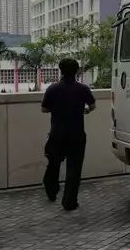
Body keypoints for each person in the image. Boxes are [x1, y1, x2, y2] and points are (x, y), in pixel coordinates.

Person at [41, 58, 96, 211]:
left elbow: (44, 109)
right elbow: (92, 106)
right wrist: (84, 110)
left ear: (60, 70)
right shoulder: (83, 89)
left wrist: (57, 109)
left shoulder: (52, 89)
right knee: (74, 169)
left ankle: (51, 191)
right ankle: (69, 202)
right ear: (77, 71)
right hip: (76, 135)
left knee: (53, 165)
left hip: (56, 134)